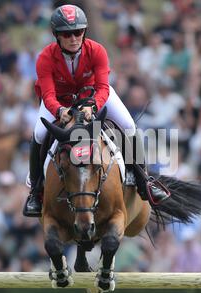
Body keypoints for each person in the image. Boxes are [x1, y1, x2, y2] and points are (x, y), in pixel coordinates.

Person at [23, 5, 169, 217]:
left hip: (94, 97)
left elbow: (102, 87)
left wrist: (93, 106)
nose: (74, 38)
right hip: (59, 101)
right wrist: (60, 111)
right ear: (57, 35)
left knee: (128, 126)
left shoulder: (97, 50)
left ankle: (144, 181)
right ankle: (36, 193)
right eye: (67, 34)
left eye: (78, 32)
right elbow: (47, 94)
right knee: (38, 134)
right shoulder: (45, 57)